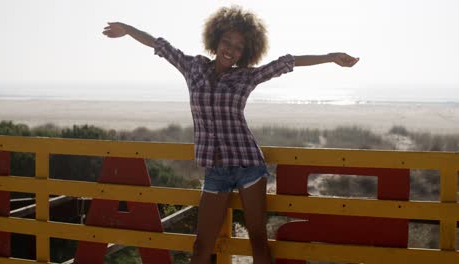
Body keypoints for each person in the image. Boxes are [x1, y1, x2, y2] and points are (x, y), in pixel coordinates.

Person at [103, 6, 359, 264]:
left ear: (245, 53)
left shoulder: (245, 77)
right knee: (202, 245)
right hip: (215, 170)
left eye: (238, 47)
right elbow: (160, 45)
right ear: (216, 41)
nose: (231, 49)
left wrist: (330, 56)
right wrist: (126, 29)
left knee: (258, 240)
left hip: (248, 165)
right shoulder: (193, 68)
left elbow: (286, 62)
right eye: (227, 42)